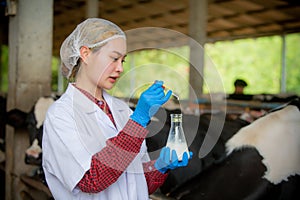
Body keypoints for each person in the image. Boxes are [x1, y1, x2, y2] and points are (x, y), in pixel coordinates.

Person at [42, 18, 192, 199]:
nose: (120, 68)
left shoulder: (122, 110)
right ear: (85, 53)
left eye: (123, 60)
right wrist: (138, 121)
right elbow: (92, 179)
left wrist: (159, 166)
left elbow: (136, 184)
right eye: (114, 58)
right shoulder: (61, 115)